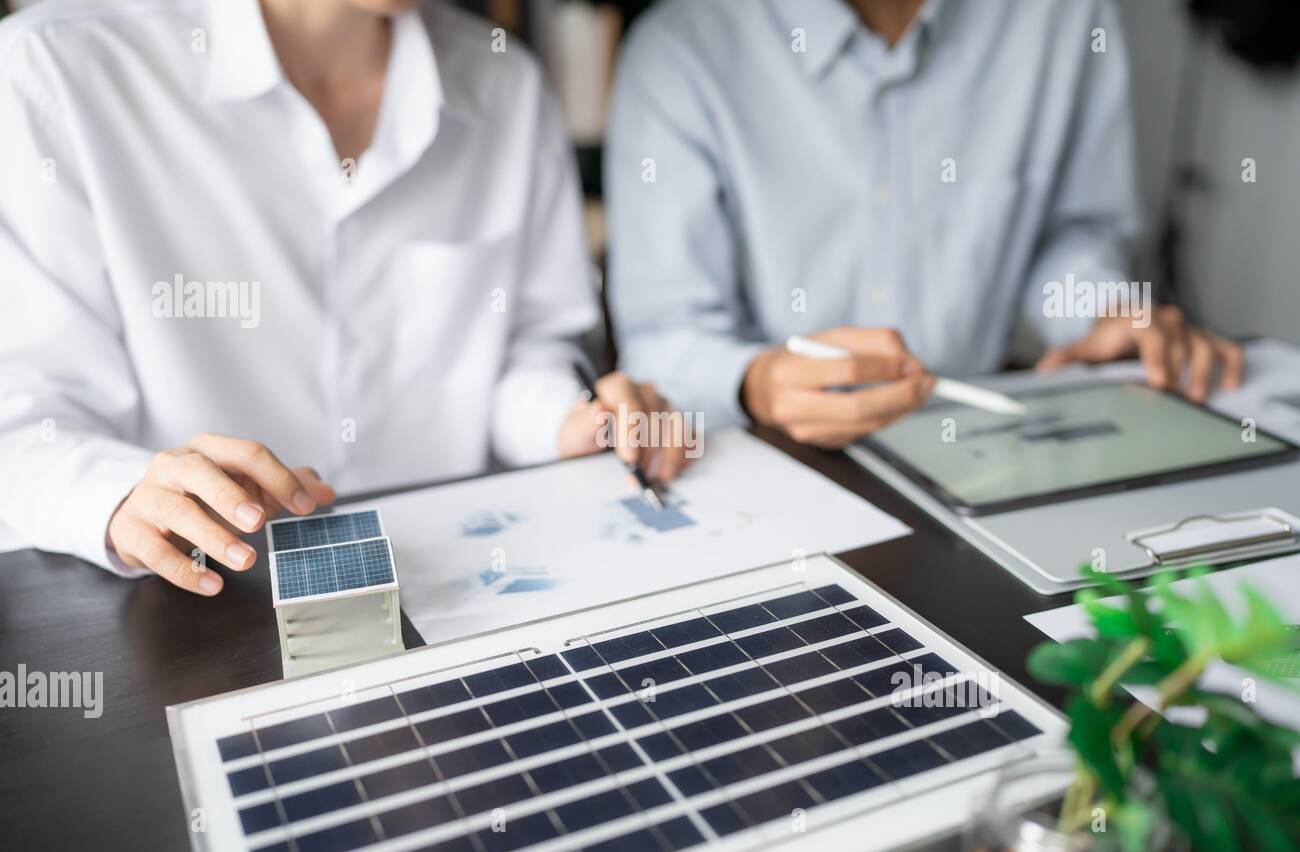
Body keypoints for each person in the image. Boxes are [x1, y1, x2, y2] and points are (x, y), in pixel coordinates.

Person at [0, 0, 689, 595]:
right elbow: (27, 421)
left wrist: (571, 421)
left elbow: (524, 352)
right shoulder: (54, 72)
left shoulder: (506, 84)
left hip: (455, 590)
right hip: (191, 609)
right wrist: (122, 496)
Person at [605, 0, 1244, 450]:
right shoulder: (680, 48)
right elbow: (665, 335)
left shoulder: (1064, 16)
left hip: (986, 452)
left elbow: (1068, 236)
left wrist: (1101, 310)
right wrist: (757, 384)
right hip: (765, 467)